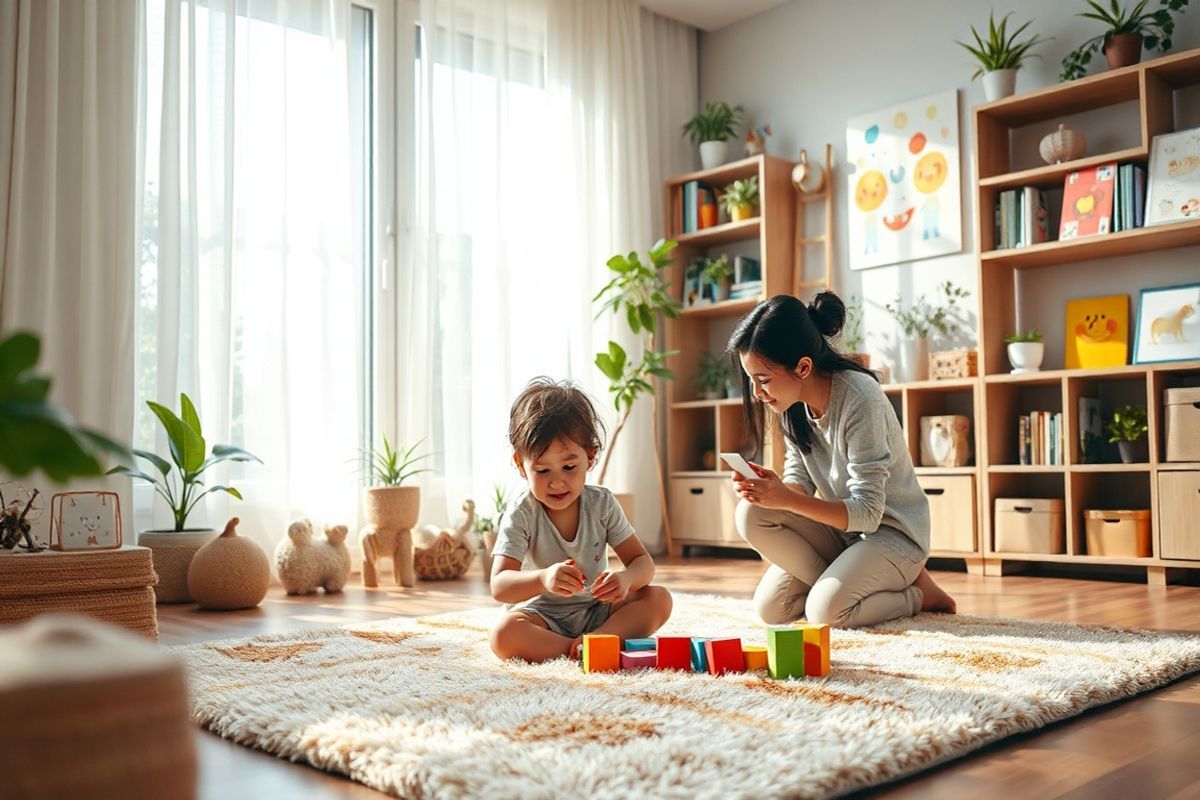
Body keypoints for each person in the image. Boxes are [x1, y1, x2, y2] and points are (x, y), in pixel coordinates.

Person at [727, 292, 956, 628]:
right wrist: (772, 491)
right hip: (845, 534)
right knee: (770, 604)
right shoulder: (792, 405)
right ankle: (840, 583)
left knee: (826, 613)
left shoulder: (861, 398)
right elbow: (799, 480)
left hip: (892, 535)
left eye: (763, 381)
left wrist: (786, 500)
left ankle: (919, 594)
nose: (758, 394)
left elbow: (867, 513)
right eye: (752, 382)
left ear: (803, 367)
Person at [489, 377, 672, 662]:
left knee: (658, 599)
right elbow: (500, 586)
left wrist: (626, 578)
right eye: (542, 470)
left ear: (590, 456)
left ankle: (596, 641)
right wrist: (542, 578)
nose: (557, 482)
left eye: (569, 466)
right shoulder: (521, 512)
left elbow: (642, 563)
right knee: (504, 635)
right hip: (541, 616)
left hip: (598, 611)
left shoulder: (601, 503)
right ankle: (576, 650)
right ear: (520, 464)